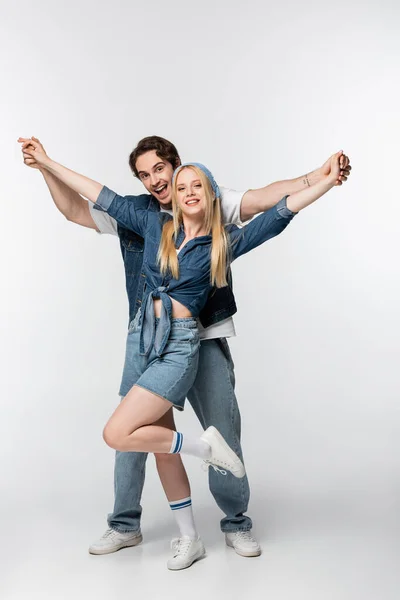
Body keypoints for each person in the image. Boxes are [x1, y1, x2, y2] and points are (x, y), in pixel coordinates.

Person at [18, 136, 351, 564]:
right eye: (147, 175)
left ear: (182, 174)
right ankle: (156, 528)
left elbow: (277, 209)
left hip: (191, 340)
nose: (168, 185)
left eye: (167, 173)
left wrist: (324, 179)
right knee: (134, 434)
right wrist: (46, 161)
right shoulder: (152, 220)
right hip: (142, 336)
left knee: (212, 426)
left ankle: (235, 519)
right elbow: (94, 195)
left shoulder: (220, 236)